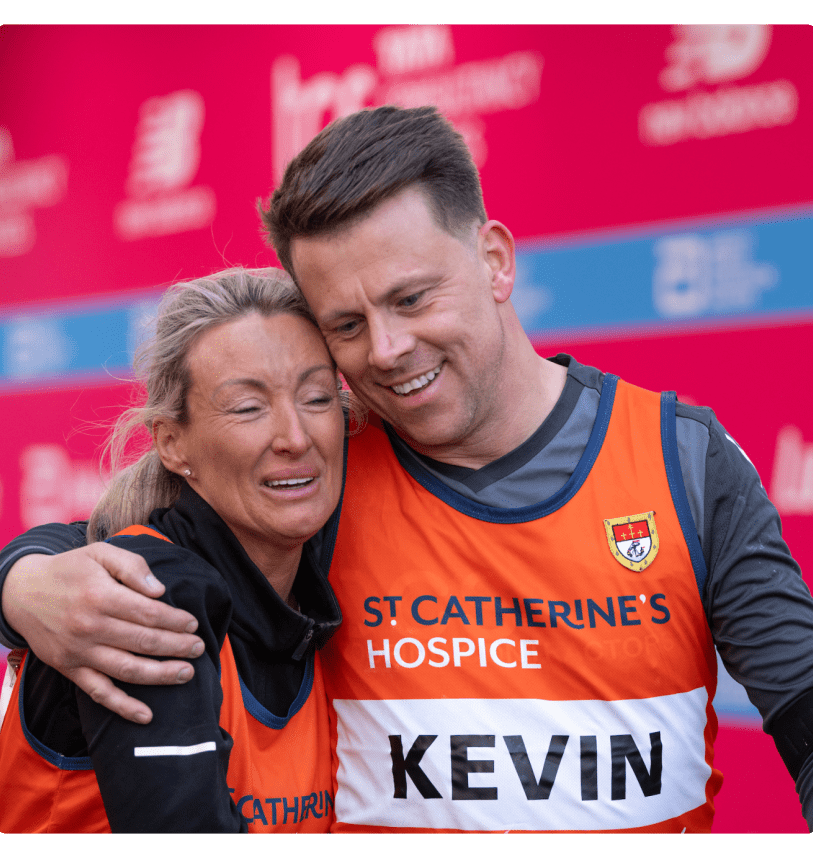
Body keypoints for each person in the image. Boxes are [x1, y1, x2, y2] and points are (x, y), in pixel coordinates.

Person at [2, 106, 813, 833]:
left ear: (494, 260)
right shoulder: (324, 472)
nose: (386, 351)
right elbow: (139, 543)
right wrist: (23, 583)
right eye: (346, 323)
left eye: (413, 299)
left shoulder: (684, 459)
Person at [0, 267, 345, 832]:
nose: (296, 436)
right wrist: (19, 580)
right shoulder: (148, 593)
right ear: (171, 442)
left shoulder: (320, 583)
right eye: (247, 408)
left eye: (317, 397)